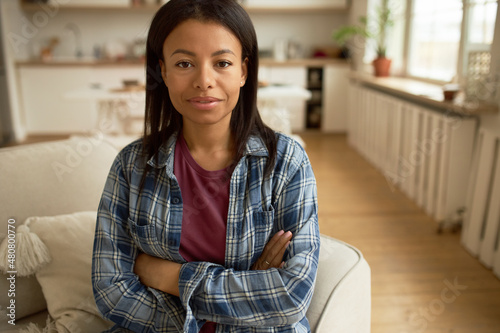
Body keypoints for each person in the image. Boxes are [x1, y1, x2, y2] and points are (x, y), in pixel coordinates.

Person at [92, 0, 320, 332]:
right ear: (163, 71)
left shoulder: (286, 162)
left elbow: (291, 296)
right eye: (184, 63)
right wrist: (244, 287)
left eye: (222, 63)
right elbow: (111, 291)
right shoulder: (131, 165)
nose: (204, 80)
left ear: (243, 70)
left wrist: (168, 276)